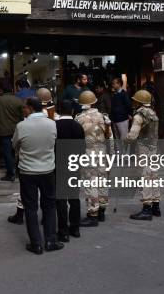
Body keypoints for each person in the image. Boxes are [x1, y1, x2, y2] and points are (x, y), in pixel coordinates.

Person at [13, 97, 63, 254]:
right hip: (48, 170)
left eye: (24, 108)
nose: (23, 110)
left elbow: (14, 144)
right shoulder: (52, 124)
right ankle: (50, 240)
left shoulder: (21, 126)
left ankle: (36, 244)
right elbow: (54, 143)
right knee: (49, 205)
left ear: (29, 108)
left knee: (30, 207)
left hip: (27, 172)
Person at [75, 90, 111, 227]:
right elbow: (109, 137)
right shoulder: (104, 117)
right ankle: (102, 210)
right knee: (102, 182)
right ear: (94, 102)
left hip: (88, 155)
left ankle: (93, 214)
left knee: (91, 184)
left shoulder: (78, 119)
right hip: (103, 154)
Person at [126, 90, 161, 221]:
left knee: (145, 176)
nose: (134, 102)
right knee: (154, 175)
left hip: (144, 149)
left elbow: (133, 135)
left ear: (139, 101)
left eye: (135, 100)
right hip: (154, 148)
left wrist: (126, 140)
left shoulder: (139, 115)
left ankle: (147, 208)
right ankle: (156, 206)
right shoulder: (153, 113)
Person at [56, 100, 85, 241]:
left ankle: (63, 231)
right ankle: (75, 228)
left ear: (59, 110)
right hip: (74, 165)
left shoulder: (55, 126)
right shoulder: (78, 127)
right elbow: (82, 149)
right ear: (72, 111)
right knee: (74, 199)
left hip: (59, 165)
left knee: (61, 200)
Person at [0, 83, 24, 182]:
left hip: (3, 130)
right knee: (17, 152)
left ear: (2, 90)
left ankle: (10, 173)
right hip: (16, 129)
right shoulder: (18, 100)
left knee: (7, 152)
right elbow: (22, 114)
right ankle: (18, 172)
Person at [110, 77, 132, 147]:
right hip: (115, 119)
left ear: (119, 84)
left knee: (124, 138)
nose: (112, 85)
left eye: (114, 84)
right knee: (117, 139)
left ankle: (125, 157)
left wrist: (130, 114)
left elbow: (128, 105)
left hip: (122, 119)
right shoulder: (114, 94)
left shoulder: (124, 94)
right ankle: (120, 156)